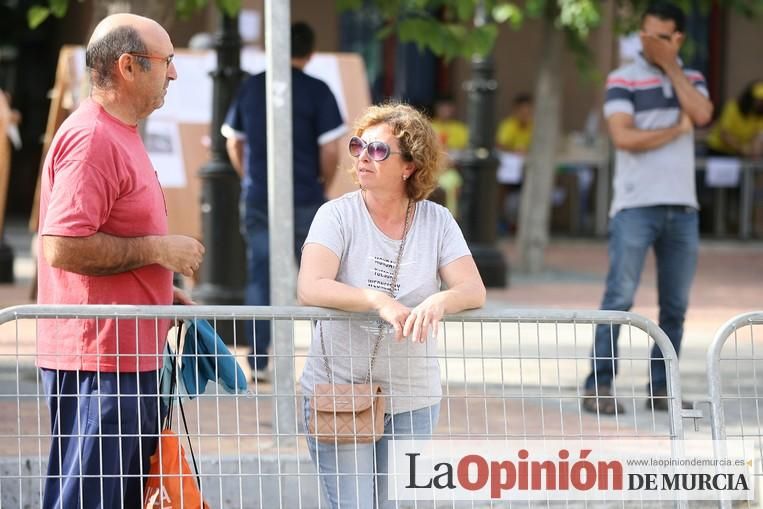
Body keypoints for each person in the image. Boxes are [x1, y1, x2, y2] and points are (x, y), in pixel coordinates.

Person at [36, 13, 205, 508]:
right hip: (100, 363)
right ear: (129, 66)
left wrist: (157, 291)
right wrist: (156, 251)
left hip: (119, 359)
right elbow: (62, 245)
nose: (174, 73)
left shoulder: (115, 132)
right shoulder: (93, 139)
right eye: (167, 61)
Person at [297, 103, 486, 508]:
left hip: (412, 395)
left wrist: (440, 300)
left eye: (378, 150)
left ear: (409, 167)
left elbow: (473, 289)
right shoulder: (336, 215)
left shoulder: (437, 221)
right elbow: (310, 286)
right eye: (358, 146)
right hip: (339, 391)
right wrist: (376, 300)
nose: (364, 156)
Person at [582, 1, 713, 415]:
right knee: (618, 299)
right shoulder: (622, 78)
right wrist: (675, 129)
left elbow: (703, 113)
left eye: (659, 36)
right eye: (645, 35)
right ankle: (598, 386)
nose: (648, 44)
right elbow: (624, 137)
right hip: (635, 205)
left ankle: (662, 390)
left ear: (677, 39)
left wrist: (671, 67)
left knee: (675, 307)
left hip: (683, 210)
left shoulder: (691, 77)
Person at [222, 21, 346, 383]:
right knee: (321, 278)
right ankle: (330, 362)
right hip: (306, 196)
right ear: (309, 52)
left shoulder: (251, 86)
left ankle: (258, 361)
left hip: (260, 196)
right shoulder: (317, 90)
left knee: (260, 275)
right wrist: (321, 183)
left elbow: (233, 142)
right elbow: (330, 148)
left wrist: (250, 178)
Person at [495, 93, 533, 233]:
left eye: (528, 111)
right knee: (502, 186)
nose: (525, 114)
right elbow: (500, 145)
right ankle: (502, 220)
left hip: (528, 169)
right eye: (522, 111)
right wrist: (514, 150)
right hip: (510, 170)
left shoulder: (534, 126)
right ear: (515, 111)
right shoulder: (508, 125)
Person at [706, 80, 763, 158]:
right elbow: (724, 134)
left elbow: (758, 136)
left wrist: (754, 151)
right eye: (758, 100)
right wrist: (743, 149)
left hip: (738, 154)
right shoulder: (732, 107)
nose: (760, 103)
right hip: (718, 150)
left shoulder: (759, 114)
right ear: (750, 98)